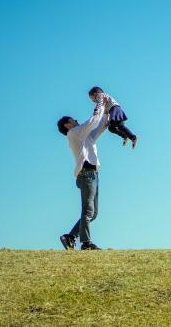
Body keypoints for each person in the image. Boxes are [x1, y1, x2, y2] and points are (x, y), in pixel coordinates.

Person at [57, 105, 109, 250]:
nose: (76, 120)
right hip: (86, 174)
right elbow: (92, 122)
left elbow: (98, 128)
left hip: (93, 174)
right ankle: (86, 243)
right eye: (73, 119)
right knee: (88, 211)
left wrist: (106, 115)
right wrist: (100, 105)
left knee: (93, 213)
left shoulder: (83, 137)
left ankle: (70, 237)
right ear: (67, 125)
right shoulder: (73, 133)